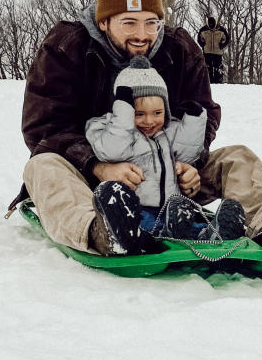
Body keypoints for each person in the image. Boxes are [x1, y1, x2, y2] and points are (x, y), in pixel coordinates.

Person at [9, 0, 262, 257]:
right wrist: (99, 167)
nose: (143, 35)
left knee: (237, 157)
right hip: (90, 179)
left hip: (166, 176)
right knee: (43, 166)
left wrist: (187, 164)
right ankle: (102, 232)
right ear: (105, 22)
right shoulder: (67, 47)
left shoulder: (179, 49)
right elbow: (44, 129)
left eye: (152, 23)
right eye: (129, 23)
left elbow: (203, 111)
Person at [85, 57, 245, 247]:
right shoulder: (110, 129)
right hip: (137, 208)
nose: (150, 121)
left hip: (171, 206)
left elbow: (188, 151)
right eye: (139, 114)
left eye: (157, 113)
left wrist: (195, 117)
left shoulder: (166, 133)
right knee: (145, 224)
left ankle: (214, 233)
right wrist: (123, 114)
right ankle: (163, 233)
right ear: (124, 111)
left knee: (190, 221)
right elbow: (111, 152)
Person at [197, 15, 229, 84]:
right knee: (207, 67)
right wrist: (203, 45)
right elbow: (199, 39)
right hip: (207, 52)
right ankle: (208, 82)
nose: (211, 25)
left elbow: (226, 39)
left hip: (218, 52)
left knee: (218, 68)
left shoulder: (221, 30)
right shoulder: (203, 30)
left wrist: (222, 45)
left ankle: (219, 82)